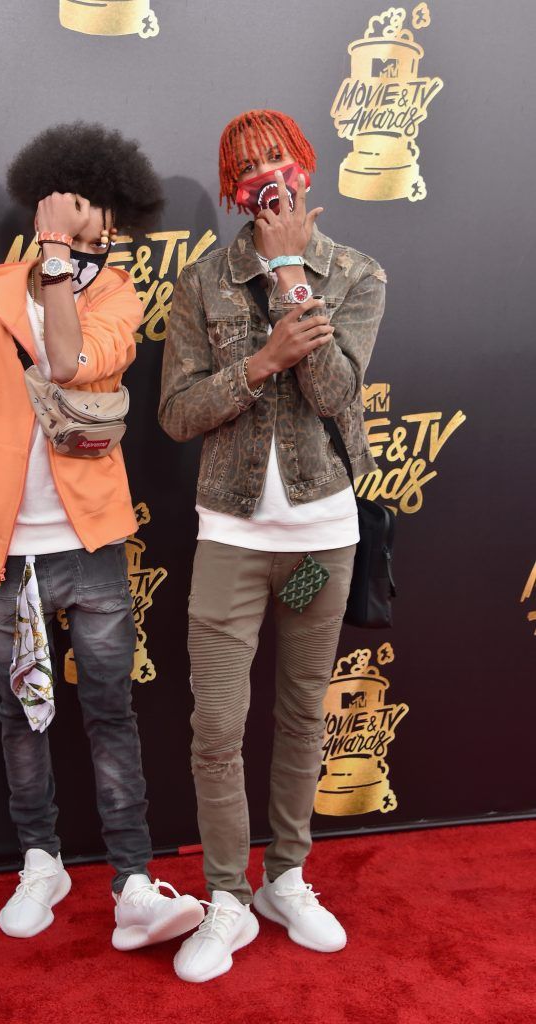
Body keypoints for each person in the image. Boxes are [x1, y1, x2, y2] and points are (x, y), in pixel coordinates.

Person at [0, 122, 203, 947]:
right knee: (22, 715)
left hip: (91, 546)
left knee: (111, 712)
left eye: (106, 214)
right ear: (47, 198)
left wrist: (58, 263)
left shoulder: (116, 297)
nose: (94, 222)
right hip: (4, 551)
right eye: (79, 204)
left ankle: (131, 883)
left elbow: (66, 361)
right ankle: (41, 860)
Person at [159, 109, 386, 983]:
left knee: (299, 712)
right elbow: (177, 416)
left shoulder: (357, 275)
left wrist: (293, 271)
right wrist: (256, 366)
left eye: (278, 158)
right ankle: (226, 893)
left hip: (320, 546)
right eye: (247, 164)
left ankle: (285, 878)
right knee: (217, 723)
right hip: (232, 540)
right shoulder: (202, 282)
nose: (266, 173)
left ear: (305, 168)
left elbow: (333, 391)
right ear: (231, 188)